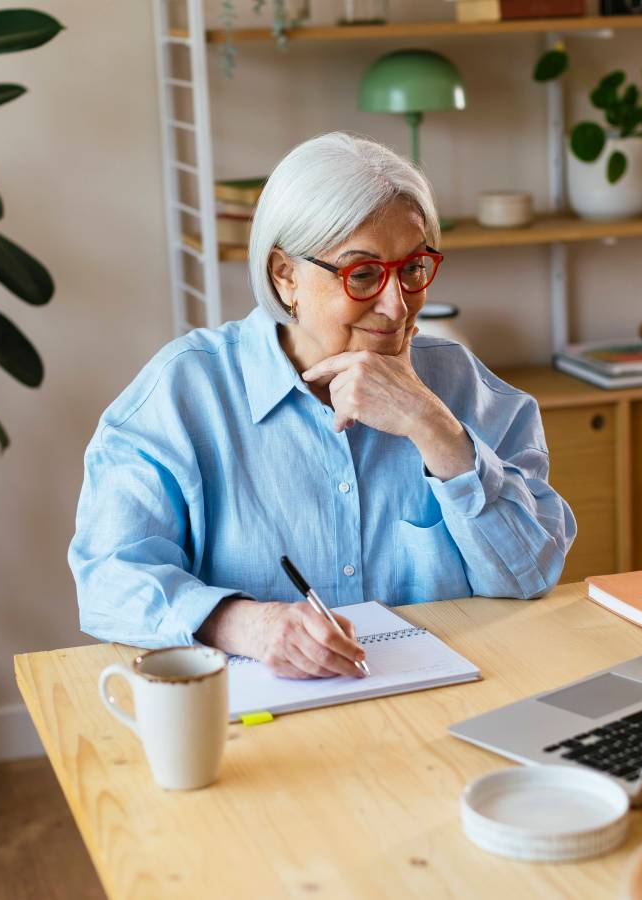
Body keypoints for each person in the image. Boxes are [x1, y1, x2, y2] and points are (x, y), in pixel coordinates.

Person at [69, 132, 576, 680]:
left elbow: (529, 576)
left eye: (412, 268)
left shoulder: (466, 388)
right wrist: (247, 625)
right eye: (362, 274)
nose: (396, 305)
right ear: (284, 275)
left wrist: (435, 430)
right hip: (269, 733)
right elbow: (108, 579)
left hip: (444, 708)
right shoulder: (184, 394)